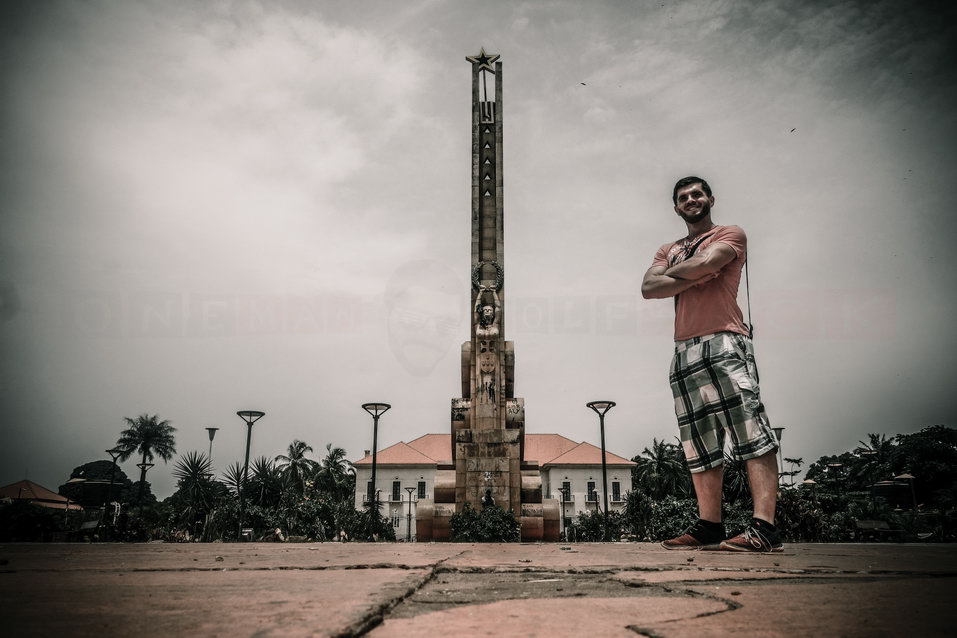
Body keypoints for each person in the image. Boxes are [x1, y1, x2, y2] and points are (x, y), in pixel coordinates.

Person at [641, 176, 782, 552]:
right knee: (698, 440)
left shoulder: (730, 233)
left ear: (710, 199)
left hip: (725, 339)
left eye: (697, 194)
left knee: (749, 428)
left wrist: (679, 275)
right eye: (683, 197)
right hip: (685, 348)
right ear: (675, 207)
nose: (691, 199)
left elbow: (710, 262)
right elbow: (648, 288)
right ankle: (709, 526)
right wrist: (697, 271)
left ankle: (764, 527)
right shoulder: (666, 248)